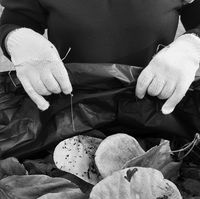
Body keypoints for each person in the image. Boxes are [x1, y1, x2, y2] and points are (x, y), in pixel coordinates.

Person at [0, 0, 200, 114]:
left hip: (155, 105)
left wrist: (191, 46)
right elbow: (14, 21)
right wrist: (17, 38)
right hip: (70, 108)